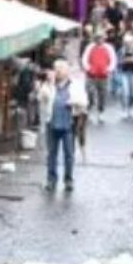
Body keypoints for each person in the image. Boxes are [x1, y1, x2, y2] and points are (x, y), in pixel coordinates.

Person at [38, 59, 87, 192]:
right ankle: (51, 180)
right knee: (51, 153)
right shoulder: (49, 85)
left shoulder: (75, 85)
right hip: (52, 123)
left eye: (61, 68)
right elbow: (41, 98)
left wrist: (72, 102)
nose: (58, 71)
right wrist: (48, 84)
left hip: (69, 124)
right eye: (56, 68)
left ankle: (68, 180)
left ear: (67, 71)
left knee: (69, 154)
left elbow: (83, 101)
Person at [82, 32, 116, 113]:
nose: (99, 40)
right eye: (97, 38)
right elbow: (85, 58)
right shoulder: (90, 47)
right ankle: (90, 103)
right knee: (89, 90)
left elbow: (113, 59)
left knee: (102, 93)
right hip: (91, 75)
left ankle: (101, 108)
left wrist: (109, 69)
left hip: (104, 75)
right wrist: (88, 68)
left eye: (101, 38)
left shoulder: (109, 48)